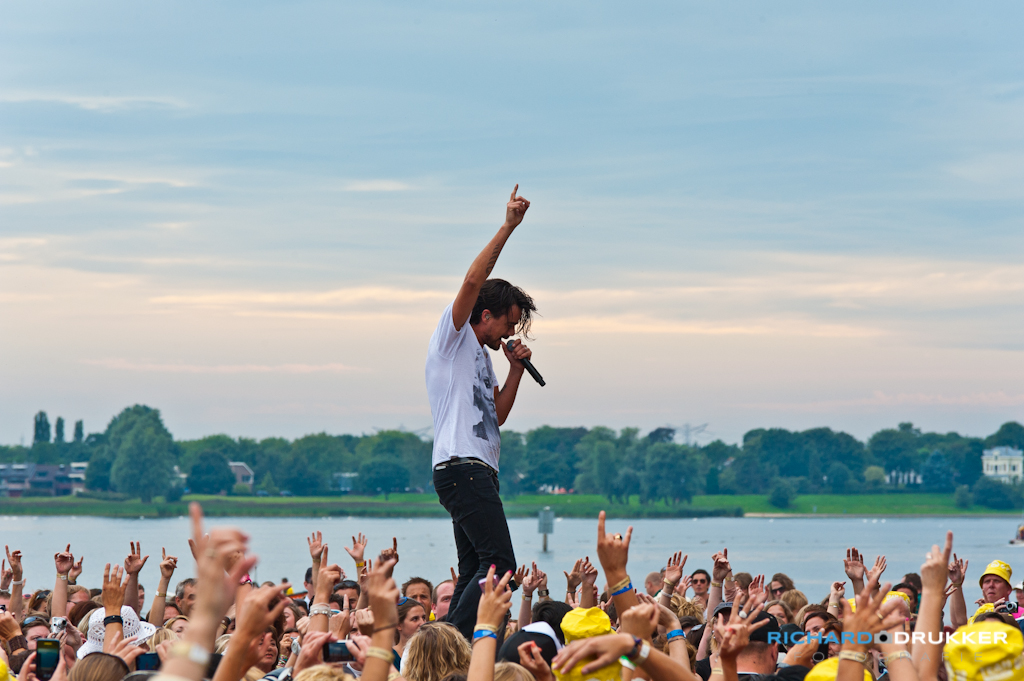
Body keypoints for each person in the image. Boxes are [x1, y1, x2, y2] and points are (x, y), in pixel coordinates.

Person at [425, 185, 536, 640]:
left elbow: (498, 415)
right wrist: (507, 227)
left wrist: (516, 371)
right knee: (500, 565)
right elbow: (471, 282)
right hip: (461, 467)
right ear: (484, 314)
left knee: (475, 569)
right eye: (508, 322)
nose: (510, 331)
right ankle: (448, 642)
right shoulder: (453, 339)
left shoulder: (485, 358)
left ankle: (450, 647)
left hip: (478, 470)